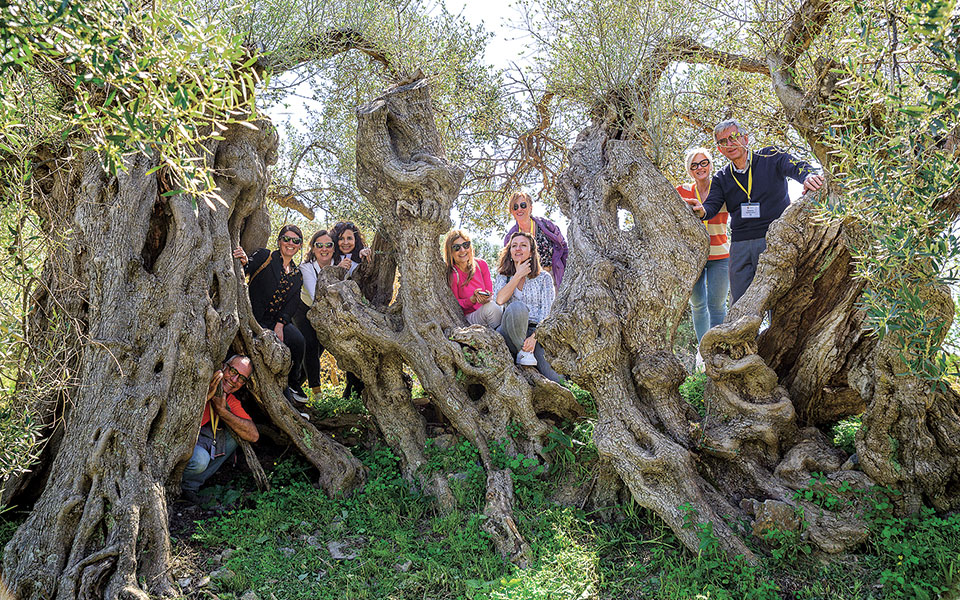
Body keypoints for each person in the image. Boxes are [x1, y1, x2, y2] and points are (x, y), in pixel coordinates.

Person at [690, 119, 824, 303]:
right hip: (740, 246)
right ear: (720, 149)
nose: (730, 144)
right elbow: (712, 206)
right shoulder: (722, 177)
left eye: (734, 137)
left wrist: (808, 176)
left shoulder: (771, 156)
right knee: (740, 302)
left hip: (775, 239)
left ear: (745, 138)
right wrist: (701, 211)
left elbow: (796, 166)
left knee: (779, 300)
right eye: (723, 142)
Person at [233, 225, 307, 404]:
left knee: (298, 341)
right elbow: (247, 267)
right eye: (286, 239)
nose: (290, 243)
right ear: (279, 241)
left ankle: (293, 383)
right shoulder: (266, 256)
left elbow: (292, 303)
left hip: (276, 320)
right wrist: (243, 260)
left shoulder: (297, 275)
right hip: (254, 317)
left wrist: (281, 324)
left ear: (300, 246)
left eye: (295, 241)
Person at [181, 355, 259, 504]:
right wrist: (204, 397)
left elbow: (253, 435)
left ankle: (189, 488)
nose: (234, 380)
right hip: (175, 444)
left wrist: (222, 411)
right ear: (223, 366)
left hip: (198, 440)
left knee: (236, 432)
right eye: (233, 371)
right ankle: (170, 483)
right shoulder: (200, 381)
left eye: (242, 378)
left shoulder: (228, 399)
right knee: (199, 460)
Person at [493, 231, 562, 382]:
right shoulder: (503, 276)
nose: (518, 249)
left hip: (535, 333)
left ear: (531, 252)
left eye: (523, 245)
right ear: (510, 251)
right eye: (514, 246)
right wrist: (518, 275)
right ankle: (523, 353)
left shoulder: (544, 278)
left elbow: (547, 313)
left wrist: (534, 338)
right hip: (509, 330)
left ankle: (526, 354)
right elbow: (499, 300)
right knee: (518, 307)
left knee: (556, 379)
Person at [677, 147, 729, 344]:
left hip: (720, 256)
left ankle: (716, 349)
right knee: (697, 305)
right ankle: (703, 352)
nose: (700, 168)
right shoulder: (681, 191)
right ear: (689, 170)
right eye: (694, 165)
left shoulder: (722, 189)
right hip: (693, 257)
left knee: (717, 306)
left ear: (710, 164)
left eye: (703, 163)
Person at [330, 221, 371, 400]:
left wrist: (364, 256)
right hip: (339, 315)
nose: (345, 242)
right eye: (341, 239)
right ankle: (351, 389)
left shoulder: (361, 257)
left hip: (361, 313)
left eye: (349, 238)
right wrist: (338, 270)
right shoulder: (332, 259)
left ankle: (358, 391)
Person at [295, 229, 335, 395]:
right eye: (319, 245)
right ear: (313, 248)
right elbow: (313, 296)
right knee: (309, 344)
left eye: (328, 245)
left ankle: (296, 385)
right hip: (303, 309)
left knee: (317, 351)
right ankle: (317, 393)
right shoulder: (306, 267)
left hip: (325, 313)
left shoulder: (338, 263)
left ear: (333, 248)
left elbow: (355, 266)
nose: (324, 249)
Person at [502, 191, 568, 289]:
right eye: (515, 207)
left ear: (530, 208)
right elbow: (508, 265)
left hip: (553, 277)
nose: (519, 209)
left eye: (523, 205)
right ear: (512, 212)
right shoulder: (510, 238)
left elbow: (563, 247)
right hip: (528, 284)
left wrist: (567, 272)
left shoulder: (547, 226)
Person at [443, 229, 503, 327]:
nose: (462, 250)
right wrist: (472, 300)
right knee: (492, 309)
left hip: (485, 311)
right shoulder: (453, 274)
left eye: (465, 245)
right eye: (456, 248)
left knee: (496, 307)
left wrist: (485, 298)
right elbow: (454, 304)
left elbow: (490, 293)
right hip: (468, 317)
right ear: (451, 252)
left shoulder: (481, 264)